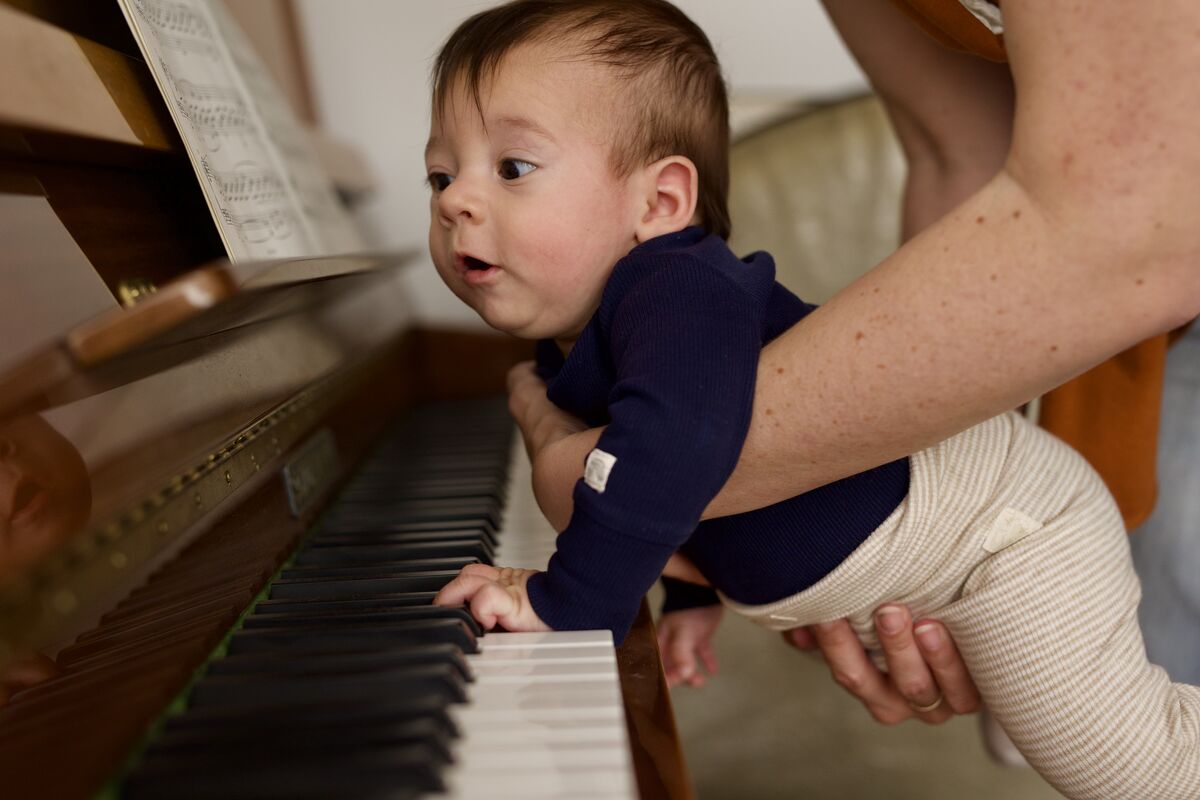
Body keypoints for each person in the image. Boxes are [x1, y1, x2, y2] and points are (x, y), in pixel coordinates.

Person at [426, 2, 1200, 796]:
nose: (455, 201)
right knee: (1051, 739)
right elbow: (956, 149)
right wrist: (690, 590)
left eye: (512, 168)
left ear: (658, 204)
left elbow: (676, 446)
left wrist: (570, 604)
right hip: (964, 536)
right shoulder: (582, 333)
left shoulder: (675, 289)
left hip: (1005, 537)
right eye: (442, 175)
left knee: (1139, 770)